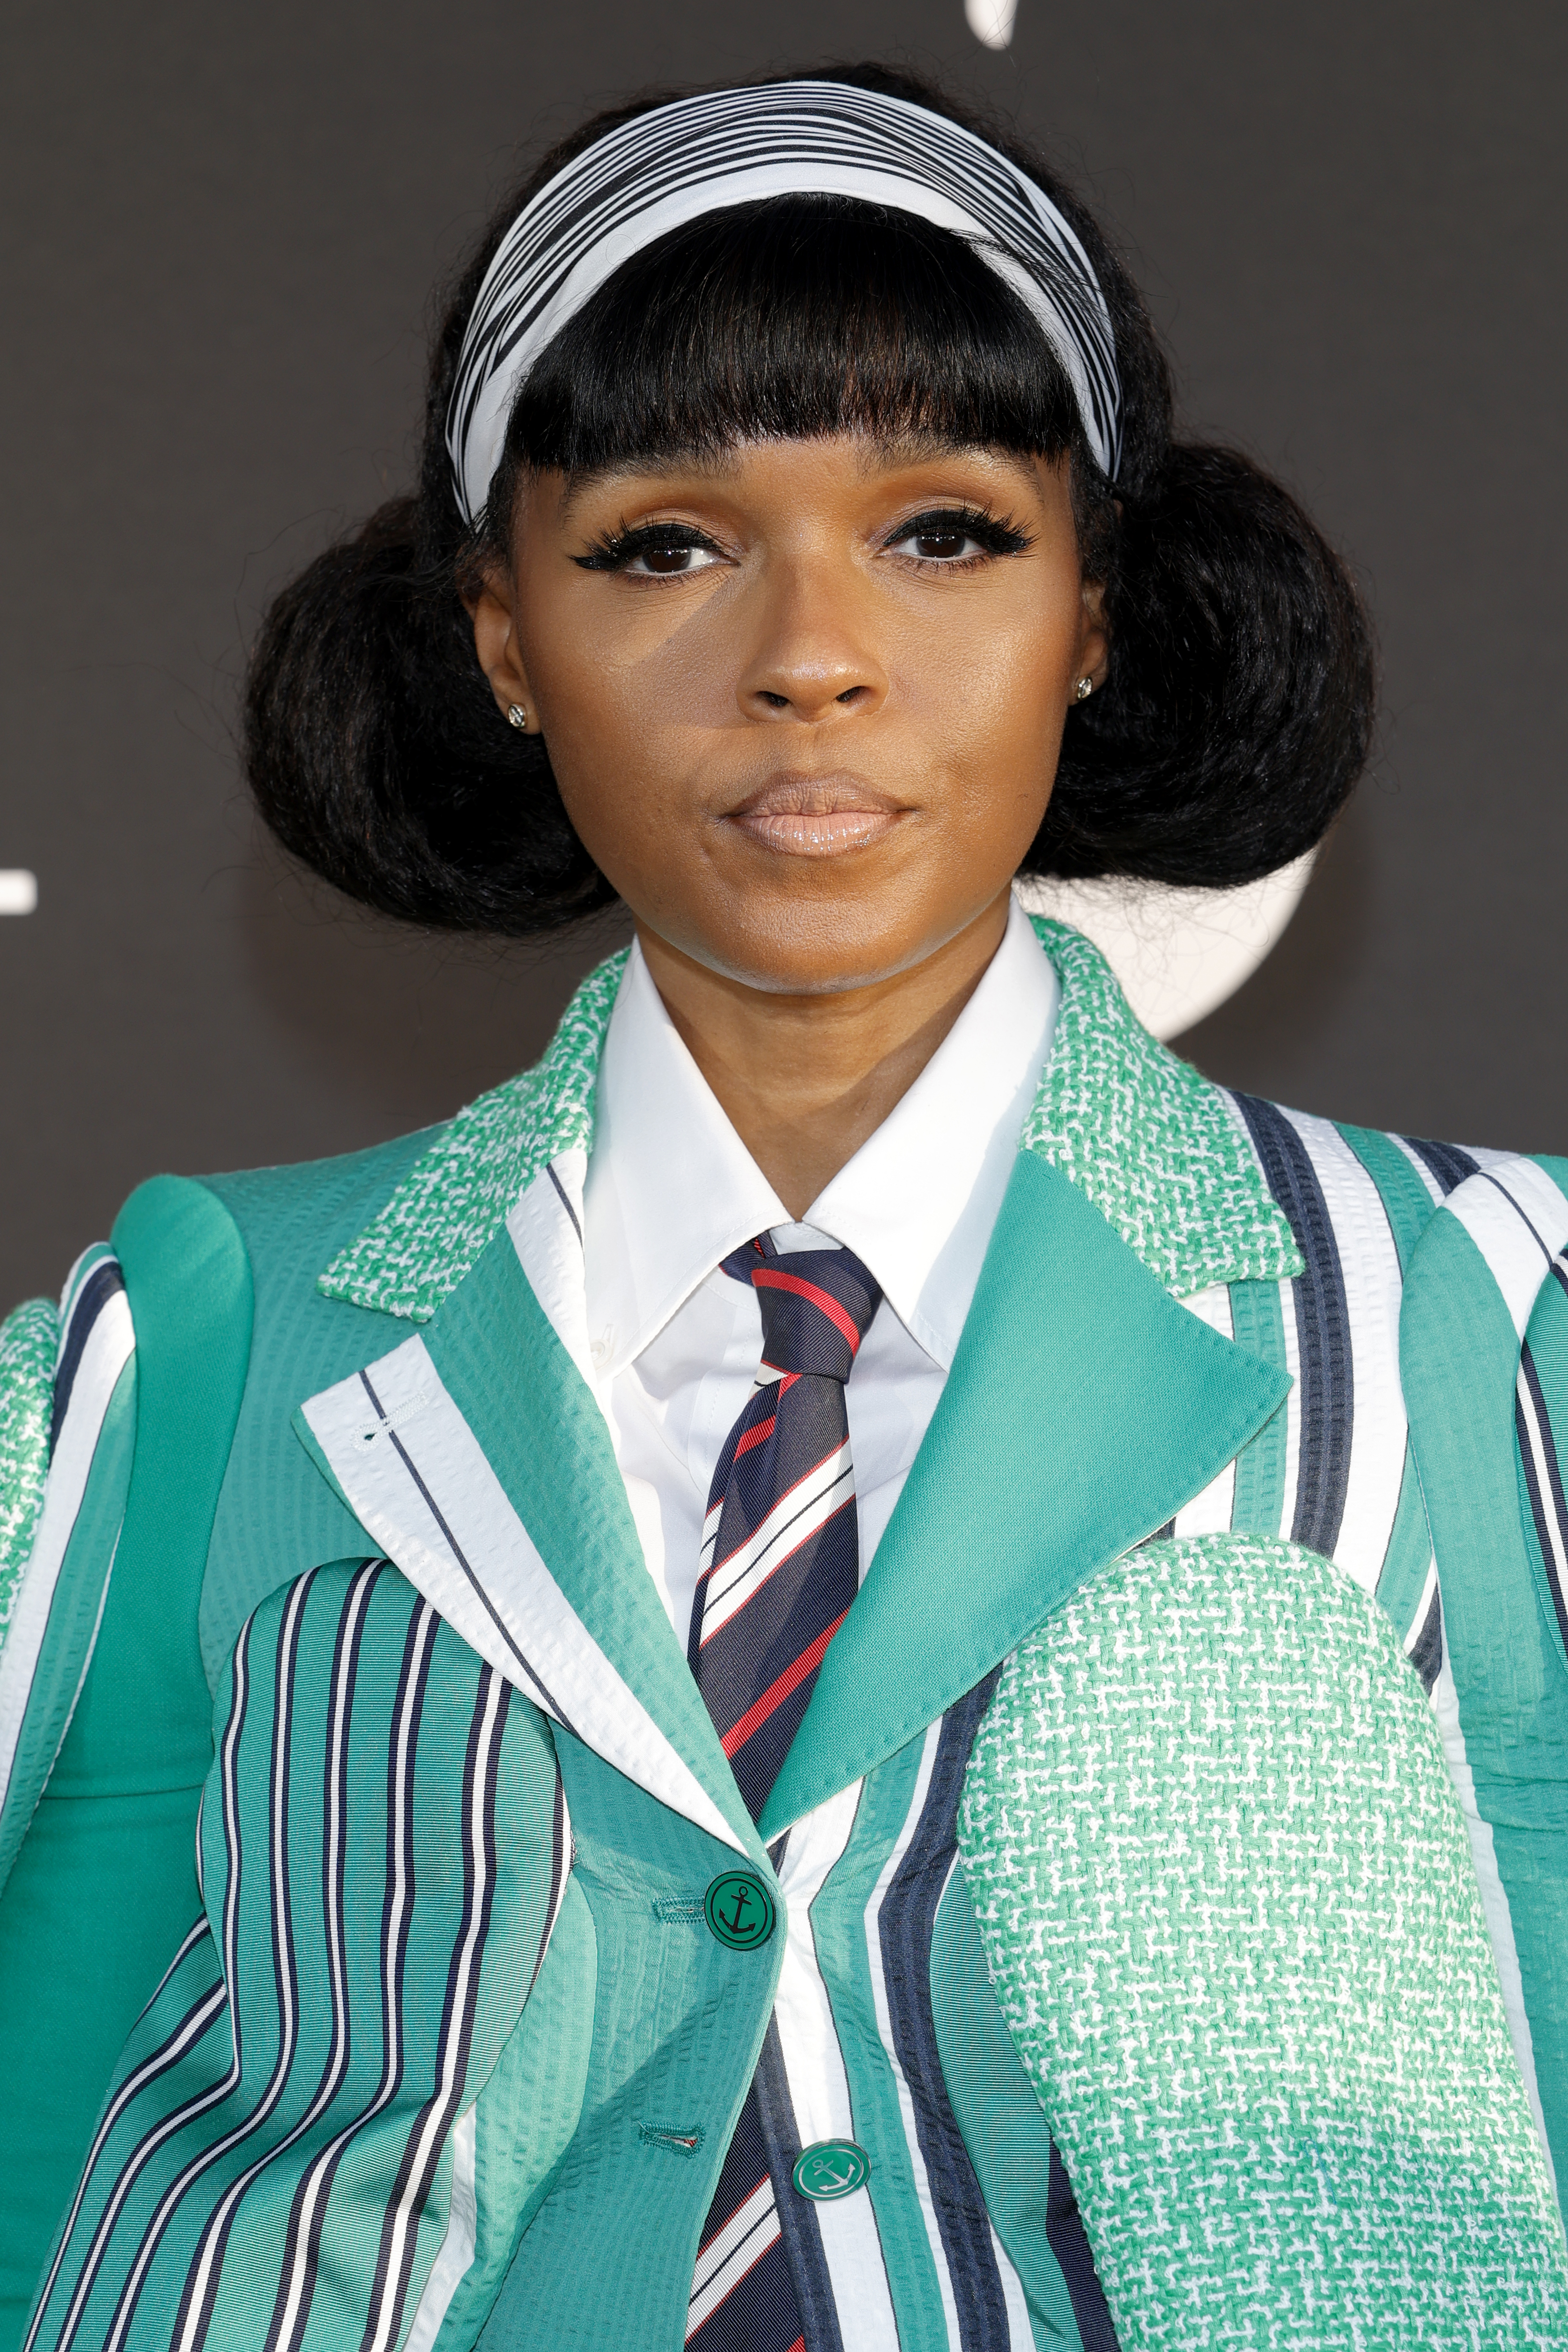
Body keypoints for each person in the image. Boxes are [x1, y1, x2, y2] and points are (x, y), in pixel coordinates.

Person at [1, 60, 1565, 2352]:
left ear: (1100, 611)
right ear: (500, 636)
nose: (811, 656)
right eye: (664, 542)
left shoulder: (1468, 1319)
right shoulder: (208, 1343)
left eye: (945, 529)